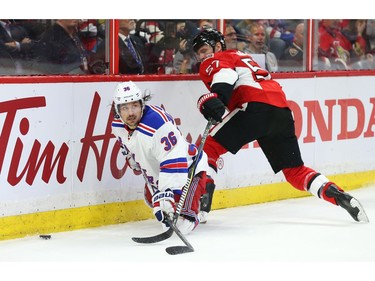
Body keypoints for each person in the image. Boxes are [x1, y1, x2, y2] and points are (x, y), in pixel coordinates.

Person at [191, 28, 369, 223]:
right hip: (282, 111)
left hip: (255, 108)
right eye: (198, 53)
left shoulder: (216, 59)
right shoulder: (242, 56)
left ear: (217, 46)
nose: (202, 56)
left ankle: (201, 203)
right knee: (294, 171)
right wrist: (218, 98)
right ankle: (337, 194)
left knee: (208, 148)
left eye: (204, 49)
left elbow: (224, 75)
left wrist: (217, 97)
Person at [111, 81, 210, 235]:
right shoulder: (118, 125)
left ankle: (200, 201)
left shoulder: (158, 125)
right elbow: (128, 145)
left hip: (189, 169)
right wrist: (132, 161)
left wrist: (166, 194)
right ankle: (179, 200)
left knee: (181, 227)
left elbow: (174, 160)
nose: (130, 113)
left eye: (135, 106)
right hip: (162, 174)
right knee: (152, 200)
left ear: (142, 105)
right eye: (125, 108)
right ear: (117, 110)